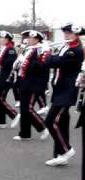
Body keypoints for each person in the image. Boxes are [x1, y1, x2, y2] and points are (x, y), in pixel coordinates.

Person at [44, 24, 85, 166]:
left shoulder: (76, 50)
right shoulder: (66, 47)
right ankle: (60, 155)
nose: (66, 35)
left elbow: (54, 62)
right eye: (65, 33)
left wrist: (47, 53)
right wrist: (51, 53)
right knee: (61, 123)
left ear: (77, 34)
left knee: (50, 121)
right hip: (59, 89)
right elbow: (55, 59)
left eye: (69, 33)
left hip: (67, 92)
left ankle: (66, 150)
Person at [12, 30, 49, 141]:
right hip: (24, 81)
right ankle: (25, 133)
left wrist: (24, 61)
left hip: (34, 83)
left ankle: (43, 127)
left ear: (37, 39)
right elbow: (18, 66)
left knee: (28, 108)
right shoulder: (27, 50)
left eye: (32, 38)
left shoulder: (40, 50)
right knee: (23, 109)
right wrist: (19, 60)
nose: (29, 40)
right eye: (28, 38)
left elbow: (39, 67)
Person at [0, 31, 20, 129]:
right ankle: (0, 122)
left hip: (6, 77)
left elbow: (11, 63)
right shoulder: (4, 48)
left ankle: (14, 114)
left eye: (1, 38)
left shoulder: (10, 49)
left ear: (7, 39)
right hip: (1, 76)